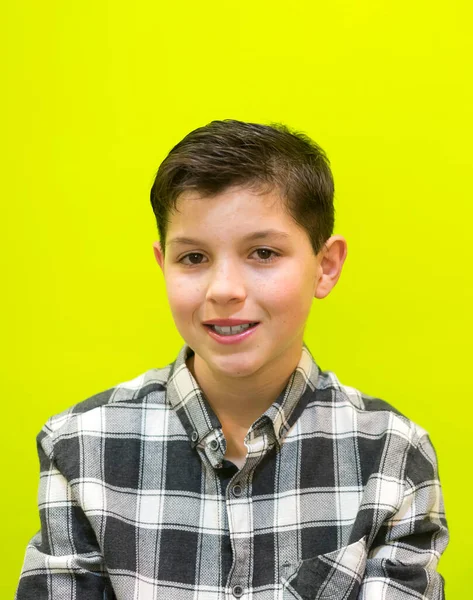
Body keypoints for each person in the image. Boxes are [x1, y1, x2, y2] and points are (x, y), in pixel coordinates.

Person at [16, 119, 449, 599]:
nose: (224, 290)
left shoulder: (392, 455)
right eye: (194, 258)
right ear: (164, 265)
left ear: (325, 267)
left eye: (263, 252)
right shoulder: (80, 447)